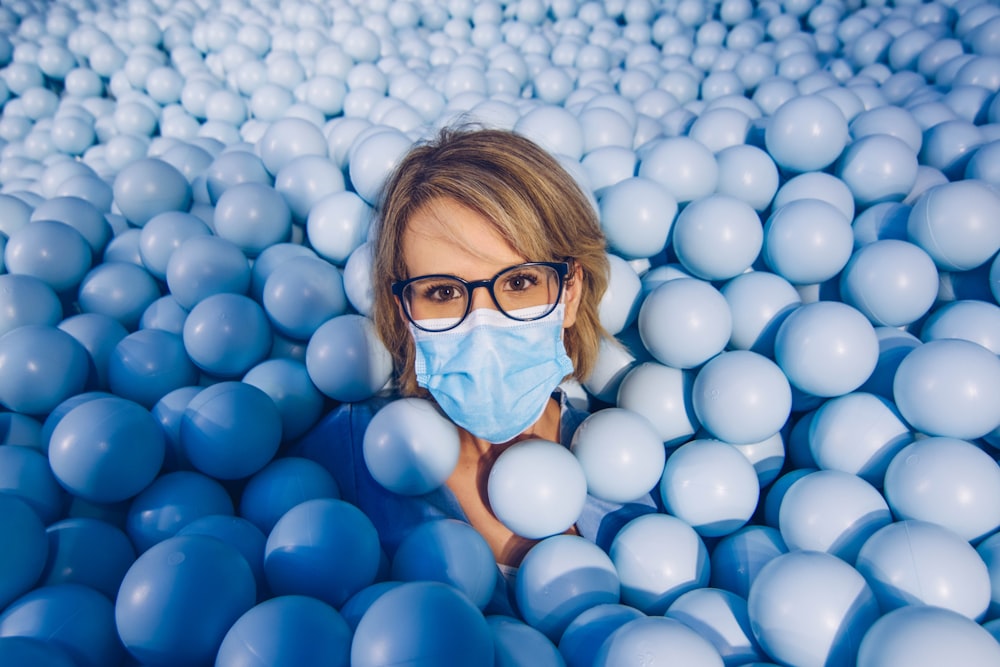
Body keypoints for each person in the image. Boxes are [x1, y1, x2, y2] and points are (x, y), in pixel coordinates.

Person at [291, 126, 659, 615]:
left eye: (521, 281)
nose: (484, 327)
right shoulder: (345, 462)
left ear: (569, 293)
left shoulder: (636, 467)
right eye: (442, 292)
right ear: (404, 310)